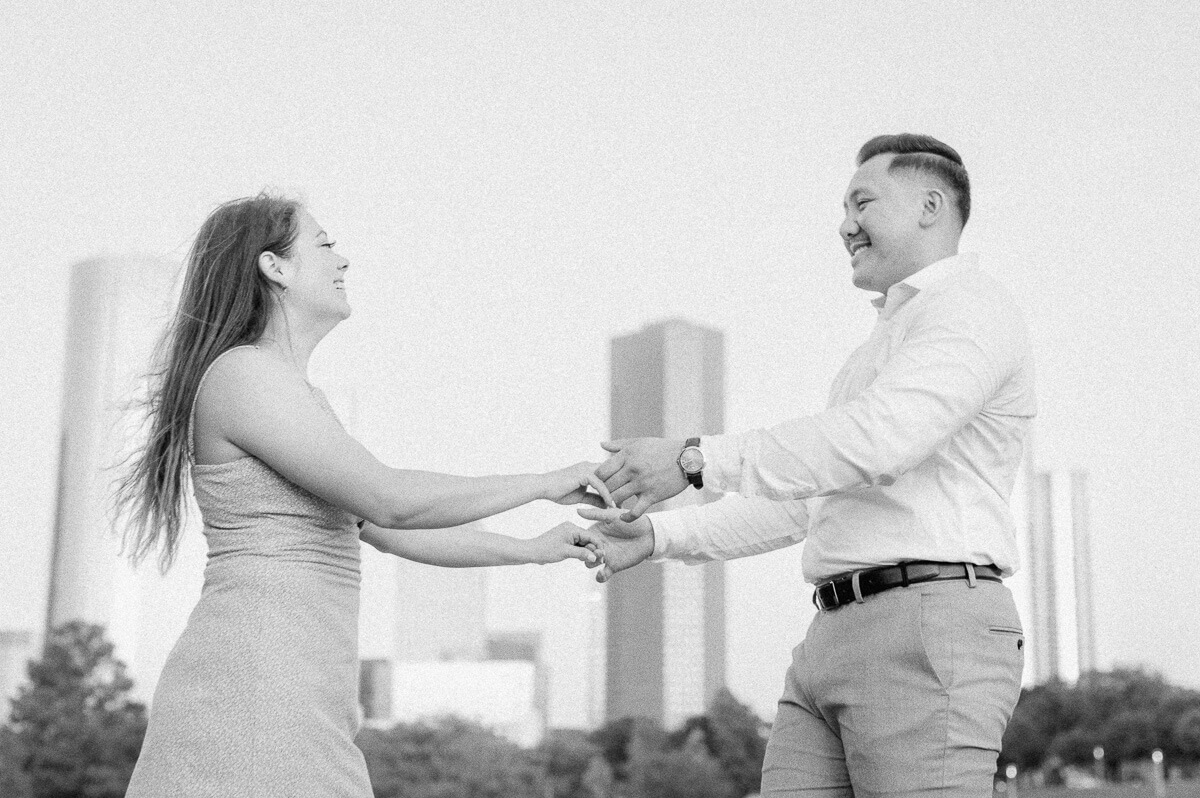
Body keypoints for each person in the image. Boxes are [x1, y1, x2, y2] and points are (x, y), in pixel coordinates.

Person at [580, 134, 1036, 797]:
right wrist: (656, 537)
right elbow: (806, 505)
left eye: (863, 202)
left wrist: (694, 458)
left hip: (927, 625)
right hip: (832, 635)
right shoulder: (879, 346)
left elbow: (878, 443)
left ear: (931, 206)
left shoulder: (969, 307)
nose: (845, 225)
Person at [114, 193, 611, 797]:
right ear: (275, 267)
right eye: (324, 244)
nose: (343, 260)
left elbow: (389, 529)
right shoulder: (244, 376)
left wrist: (534, 548)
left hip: (296, 696)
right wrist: (545, 481)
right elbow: (390, 499)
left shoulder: (293, 396)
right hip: (250, 692)